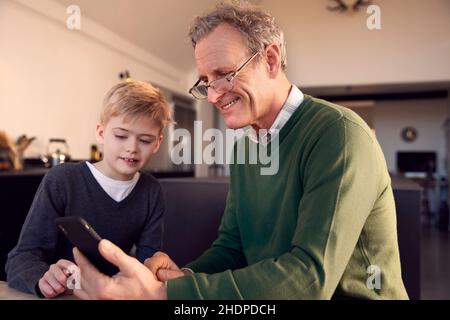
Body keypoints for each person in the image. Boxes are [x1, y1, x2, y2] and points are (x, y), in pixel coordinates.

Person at [72, 1, 408, 300]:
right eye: (205, 81)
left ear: (271, 60)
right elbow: (233, 247)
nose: (215, 95)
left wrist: (168, 294)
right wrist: (183, 276)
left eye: (224, 74)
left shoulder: (338, 134)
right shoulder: (247, 147)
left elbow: (310, 278)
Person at [6, 80, 172, 298]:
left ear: (157, 143)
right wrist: (43, 279)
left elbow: (146, 263)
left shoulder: (151, 191)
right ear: (101, 133)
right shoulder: (62, 180)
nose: (131, 148)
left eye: (145, 140)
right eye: (121, 136)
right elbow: (22, 257)